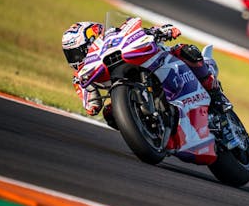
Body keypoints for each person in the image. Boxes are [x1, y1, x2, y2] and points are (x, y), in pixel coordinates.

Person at [61, 21, 233, 128]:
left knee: (186, 51)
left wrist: (161, 30)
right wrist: (88, 87)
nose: (75, 59)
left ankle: (216, 95)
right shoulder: (82, 77)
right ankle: (150, 130)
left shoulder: (113, 35)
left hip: (152, 63)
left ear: (92, 41)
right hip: (127, 91)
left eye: (77, 52)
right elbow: (92, 108)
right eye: (71, 55)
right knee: (109, 113)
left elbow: (139, 32)